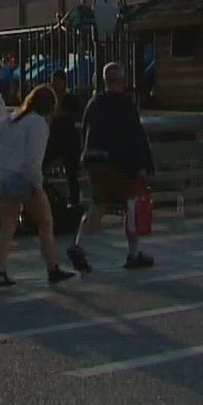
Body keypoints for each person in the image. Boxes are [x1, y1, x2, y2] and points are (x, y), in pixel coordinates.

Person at [67, 63, 154, 273]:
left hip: (94, 161)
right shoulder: (125, 104)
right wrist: (143, 165)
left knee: (99, 204)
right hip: (119, 162)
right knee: (131, 206)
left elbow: (85, 131)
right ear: (123, 80)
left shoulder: (94, 103)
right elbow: (134, 136)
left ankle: (79, 245)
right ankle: (133, 254)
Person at [0, 86, 75, 288]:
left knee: (8, 227)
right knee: (45, 224)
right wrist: (37, 185)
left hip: (4, 176)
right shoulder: (38, 123)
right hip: (24, 178)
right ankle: (52, 267)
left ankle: (0, 271)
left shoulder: (11, 120)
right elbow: (33, 159)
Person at [44, 69, 85, 208]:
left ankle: (74, 200)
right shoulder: (49, 99)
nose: (55, 84)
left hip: (68, 139)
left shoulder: (70, 99)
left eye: (58, 81)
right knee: (42, 166)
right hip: (54, 138)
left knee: (71, 173)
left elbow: (75, 115)